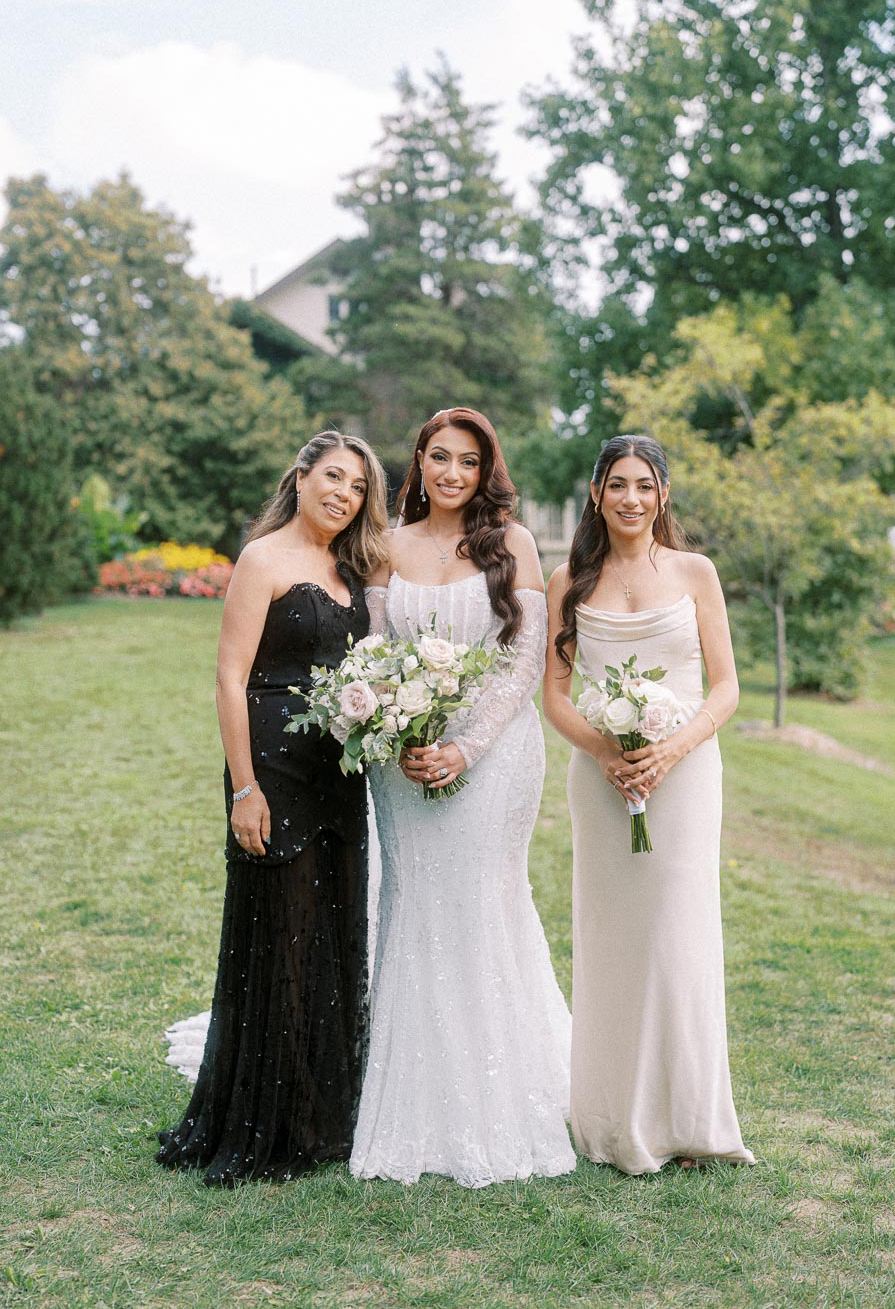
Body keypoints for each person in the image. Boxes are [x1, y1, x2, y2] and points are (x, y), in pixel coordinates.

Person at [349, 407, 575, 1187]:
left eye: (468, 462)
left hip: (497, 754)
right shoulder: (387, 544)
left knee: (482, 900)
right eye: (439, 457)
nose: (451, 473)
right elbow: (374, 650)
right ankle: (410, 1085)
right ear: (418, 461)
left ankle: (505, 1084)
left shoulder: (509, 542)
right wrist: (400, 725)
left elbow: (521, 661)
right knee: (414, 901)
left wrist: (466, 747)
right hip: (404, 756)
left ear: (486, 472)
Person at [156, 430, 389, 1185]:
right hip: (273, 768)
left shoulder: (354, 567)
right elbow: (228, 678)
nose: (342, 495)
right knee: (280, 935)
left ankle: (323, 1119)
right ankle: (266, 1120)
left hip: (339, 772)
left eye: (356, 486)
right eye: (332, 477)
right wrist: (244, 787)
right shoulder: (262, 559)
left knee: (333, 931)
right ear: (302, 475)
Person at [543, 434, 755, 1176]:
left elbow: (726, 687)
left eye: (645, 485)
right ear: (596, 494)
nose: (631, 498)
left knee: (678, 934)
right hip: (603, 784)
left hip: (687, 775)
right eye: (617, 484)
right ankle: (610, 1120)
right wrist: (605, 754)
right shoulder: (567, 578)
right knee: (611, 938)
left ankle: (689, 1121)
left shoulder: (695, 572)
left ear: (663, 494)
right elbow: (556, 696)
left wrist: (672, 749)